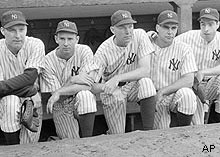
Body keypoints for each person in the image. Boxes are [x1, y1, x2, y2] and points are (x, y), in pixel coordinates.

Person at [91, 10, 157, 134]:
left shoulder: (140, 35)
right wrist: (107, 86)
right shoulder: (103, 51)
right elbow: (91, 85)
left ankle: (149, 133)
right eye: (122, 27)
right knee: (118, 135)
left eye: (130, 26)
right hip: (113, 91)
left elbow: (145, 70)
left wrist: (118, 78)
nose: (128, 31)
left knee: (146, 83)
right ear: (112, 30)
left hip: (133, 85)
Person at [40, 20, 97, 139]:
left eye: (70, 39)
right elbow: (57, 97)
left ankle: (89, 139)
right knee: (71, 144)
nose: (66, 43)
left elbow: (88, 85)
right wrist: (72, 80)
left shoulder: (84, 51)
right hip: (61, 105)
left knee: (85, 95)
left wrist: (60, 90)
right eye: (62, 39)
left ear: (77, 39)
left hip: (79, 99)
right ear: (56, 39)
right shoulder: (47, 61)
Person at [0, 10, 45, 145]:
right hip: (5, 101)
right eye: (12, 30)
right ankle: (12, 148)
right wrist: (30, 91)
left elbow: (30, 77)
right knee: (10, 102)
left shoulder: (35, 44)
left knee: (29, 147)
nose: (18, 35)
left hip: (32, 101)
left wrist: (30, 91)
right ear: (3, 31)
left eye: (21, 29)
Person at [148, 10, 198, 129]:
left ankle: (184, 130)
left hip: (173, 94)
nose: (170, 32)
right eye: (166, 27)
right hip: (152, 95)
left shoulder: (183, 48)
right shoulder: (146, 43)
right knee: (160, 132)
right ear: (157, 28)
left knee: (187, 95)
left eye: (173, 28)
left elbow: (189, 80)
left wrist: (164, 91)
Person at [174, 7, 220, 124]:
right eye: (203, 24)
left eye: (210, 24)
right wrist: (151, 35)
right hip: (193, 85)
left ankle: (216, 120)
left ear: (218, 24)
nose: (206, 29)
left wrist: (204, 72)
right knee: (198, 125)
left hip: (211, 83)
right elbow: (168, 42)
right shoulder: (189, 37)